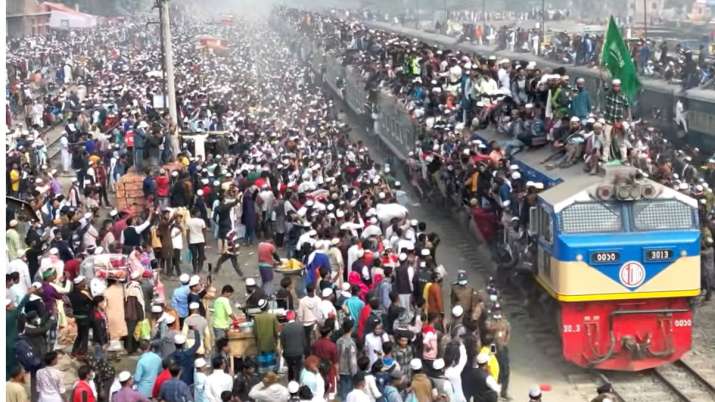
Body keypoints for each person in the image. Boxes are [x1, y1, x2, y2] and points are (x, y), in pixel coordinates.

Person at [485, 304, 511, 399]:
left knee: (506, 370)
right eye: (495, 310)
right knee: (493, 369)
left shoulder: (505, 321)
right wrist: (497, 325)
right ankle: (494, 392)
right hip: (493, 347)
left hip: (503, 347)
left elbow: (508, 331)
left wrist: (505, 342)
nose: (497, 312)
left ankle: (504, 392)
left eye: (499, 310)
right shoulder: (489, 321)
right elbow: (488, 328)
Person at [280, 310, 306, 381]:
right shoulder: (300, 327)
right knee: (298, 369)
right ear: (294, 317)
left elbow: (282, 342)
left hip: (288, 353)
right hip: (298, 352)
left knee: (290, 369)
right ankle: (298, 382)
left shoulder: (284, 328)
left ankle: (291, 383)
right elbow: (303, 341)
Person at [337, 320, 359, 402]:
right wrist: (354, 373)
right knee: (349, 394)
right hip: (349, 372)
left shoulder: (339, 341)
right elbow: (352, 360)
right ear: (351, 329)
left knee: (343, 393)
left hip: (340, 370)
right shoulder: (351, 343)